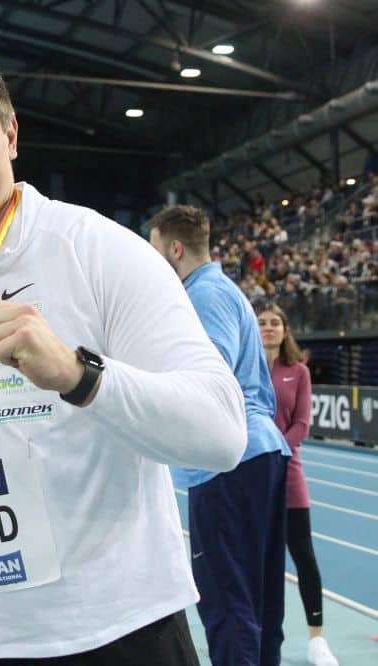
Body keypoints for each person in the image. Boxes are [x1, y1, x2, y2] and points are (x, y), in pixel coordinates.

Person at [0, 50, 246, 664]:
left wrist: (82, 377)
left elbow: (221, 432)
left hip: (115, 629)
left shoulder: (104, 252)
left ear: (11, 134)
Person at [147, 204, 291, 666]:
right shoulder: (225, 290)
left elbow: (209, 378)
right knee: (260, 596)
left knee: (229, 599)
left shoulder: (203, 295)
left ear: (174, 248)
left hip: (229, 458)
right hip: (259, 450)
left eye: (154, 252)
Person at [258, 304, 339, 666]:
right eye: (262, 323)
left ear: (286, 329)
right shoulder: (246, 368)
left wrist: (273, 451)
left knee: (304, 557)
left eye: (275, 322)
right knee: (258, 560)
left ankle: (316, 640)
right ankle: (258, 631)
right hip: (254, 477)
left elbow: (302, 425)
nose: (269, 328)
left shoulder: (299, 372)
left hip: (288, 474)